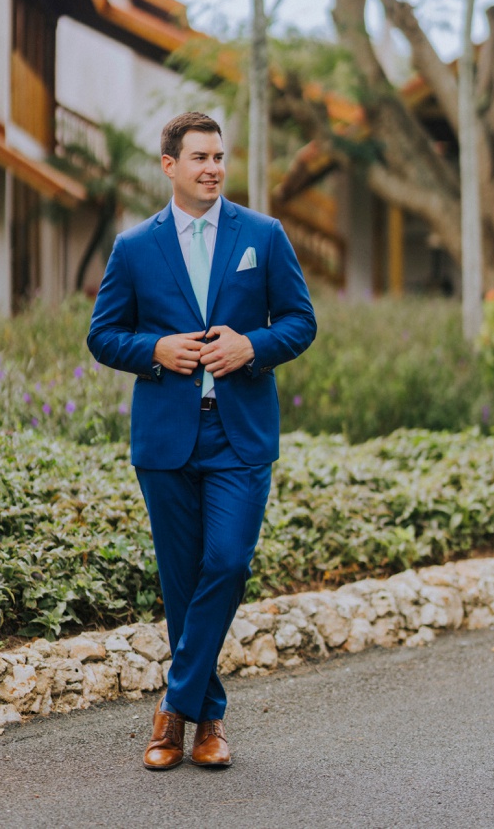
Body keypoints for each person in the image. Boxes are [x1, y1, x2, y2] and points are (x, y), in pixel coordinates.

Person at [88, 112, 317, 772]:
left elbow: (301, 321)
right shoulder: (135, 247)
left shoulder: (263, 236)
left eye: (219, 156)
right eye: (199, 157)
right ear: (169, 165)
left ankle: (172, 709)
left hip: (239, 433)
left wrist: (254, 345)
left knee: (229, 562)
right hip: (165, 438)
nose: (213, 168)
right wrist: (154, 349)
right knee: (182, 583)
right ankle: (209, 722)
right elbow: (103, 335)